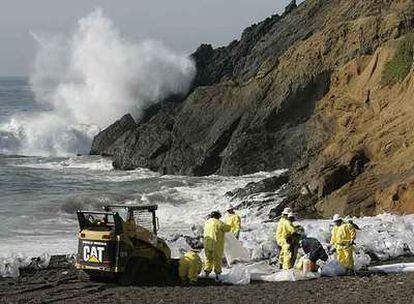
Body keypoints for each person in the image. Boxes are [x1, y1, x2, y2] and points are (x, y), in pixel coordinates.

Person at [203, 211, 231, 279]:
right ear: (218, 216)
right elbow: (228, 228)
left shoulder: (207, 222)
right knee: (217, 260)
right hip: (216, 244)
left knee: (208, 259)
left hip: (207, 244)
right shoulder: (219, 222)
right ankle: (217, 275)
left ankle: (207, 273)